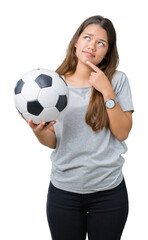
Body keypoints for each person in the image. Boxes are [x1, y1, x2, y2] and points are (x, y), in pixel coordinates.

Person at [27, 15, 134, 240]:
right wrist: (39, 133)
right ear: (76, 41)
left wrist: (107, 91)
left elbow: (122, 132)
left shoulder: (117, 80)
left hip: (108, 191)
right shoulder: (53, 85)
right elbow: (55, 141)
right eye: (87, 37)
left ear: (107, 51)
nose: (92, 46)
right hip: (64, 191)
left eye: (101, 43)